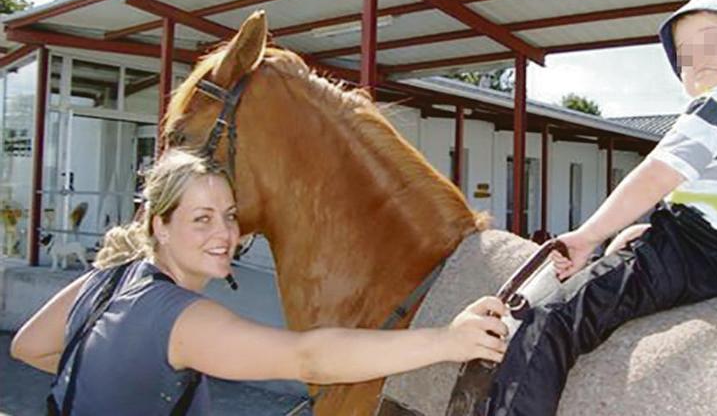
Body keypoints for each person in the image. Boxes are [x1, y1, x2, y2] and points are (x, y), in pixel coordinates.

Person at [11, 149, 508, 415]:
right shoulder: (182, 319)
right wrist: (447, 340)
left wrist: (125, 377)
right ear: (160, 225)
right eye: (201, 219)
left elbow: (28, 348)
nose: (225, 233)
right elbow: (308, 356)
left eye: (228, 215)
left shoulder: (104, 281)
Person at [487, 0, 717, 415]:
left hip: (691, 250)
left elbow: (656, 174)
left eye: (712, 41)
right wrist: (649, 228)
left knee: (551, 319)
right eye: (684, 54)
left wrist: (589, 235)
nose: (696, 59)